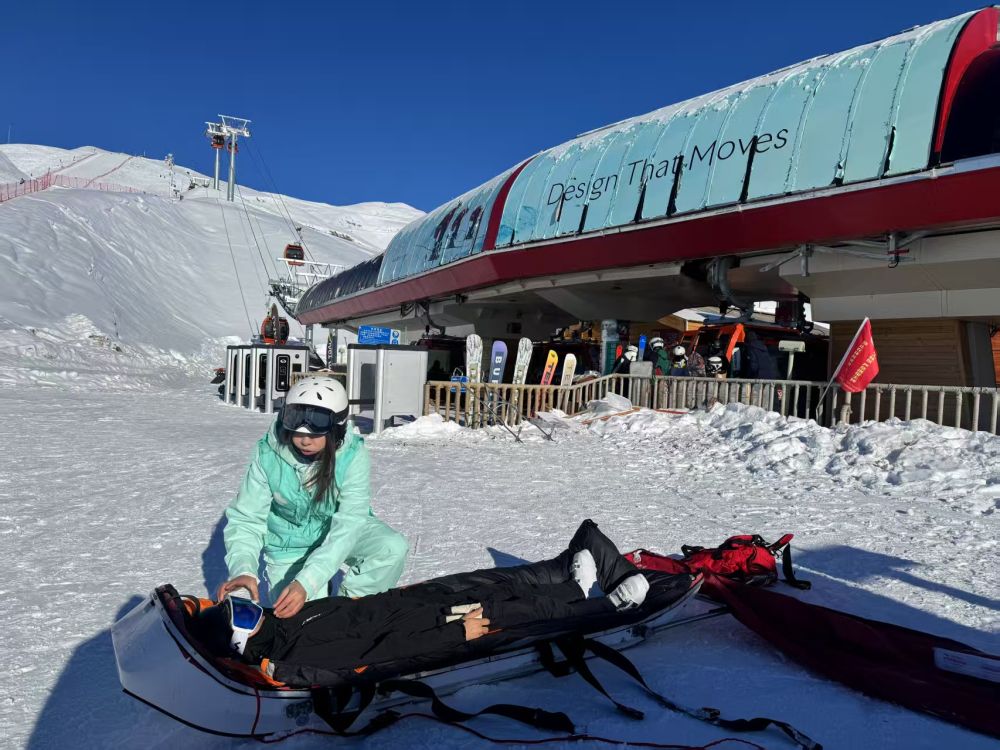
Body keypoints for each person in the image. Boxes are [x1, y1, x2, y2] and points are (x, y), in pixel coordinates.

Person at [192, 520, 652, 686]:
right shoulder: (298, 651)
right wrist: (454, 632)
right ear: (242, 644)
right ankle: (610, 606)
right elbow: (381, 652)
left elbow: (358, 611)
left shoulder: (287, 620)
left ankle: (572, 583)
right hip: (429, 626)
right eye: (246, 617)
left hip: (411, 603)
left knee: (501, 586)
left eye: (245, 605)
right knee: (517, 610)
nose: (256, 610)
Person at [216, 376, 408, 619]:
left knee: (390, 548)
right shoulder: (268, 454)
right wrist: (243, 569)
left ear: (336, 430)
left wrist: (308, 581)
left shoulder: (352, 455)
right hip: (289, 545)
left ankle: (349, 613)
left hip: (336, 530)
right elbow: (247, 518)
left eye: (316, 434)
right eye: (297, 431)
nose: (305, 440)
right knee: (303, 622)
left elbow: (350, 523)